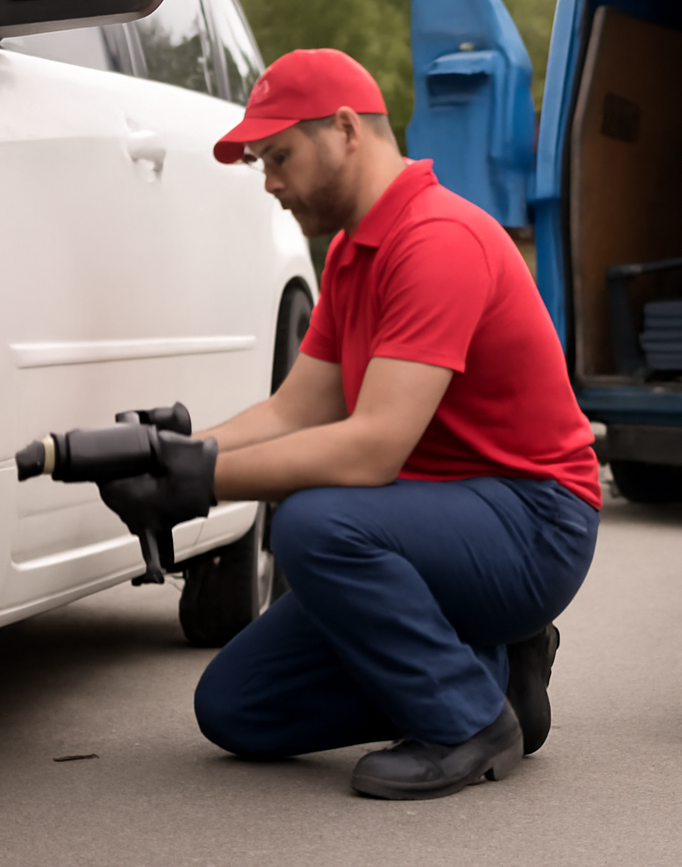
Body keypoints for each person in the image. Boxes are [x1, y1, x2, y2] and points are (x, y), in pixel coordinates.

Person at [99, 48, 601, 801]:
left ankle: (468, 723)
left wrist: (202, 480)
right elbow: (293, 410)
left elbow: (373, 449)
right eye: (262, 164)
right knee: (236, 706)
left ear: (343, 130)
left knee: (315, 523)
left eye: (279, 156)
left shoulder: (438, 240)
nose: (269, 182)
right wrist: (172, 453)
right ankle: (494, 677)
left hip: (533, 524)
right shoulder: (350, 252)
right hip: (433, 527)